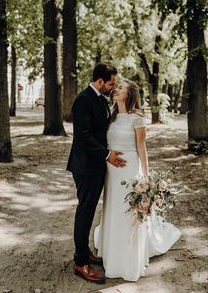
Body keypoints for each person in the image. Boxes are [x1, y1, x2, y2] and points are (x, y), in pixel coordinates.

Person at [94, 79, 181, 281]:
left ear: (130, 93)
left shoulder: (138, 118)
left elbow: (142, 147)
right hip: (111, 171)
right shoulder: (111, 116)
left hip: (131, 168)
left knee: (129, 213)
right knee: (114, 209)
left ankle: (129, 259)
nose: (116, 90)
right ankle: (112, 252)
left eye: (120, 88)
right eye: (116, 88)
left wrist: (147, 176)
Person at [67, 63, 126, 284]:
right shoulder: (83, 100)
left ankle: (82, 251)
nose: (113, 87)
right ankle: (81, 263)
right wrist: (107, 155)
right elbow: (82, 136)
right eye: (111, 83)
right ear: (100, 81)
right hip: (85, 167)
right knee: (85, 211)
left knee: (90, 210)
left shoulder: (101, 98)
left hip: (97, 166)